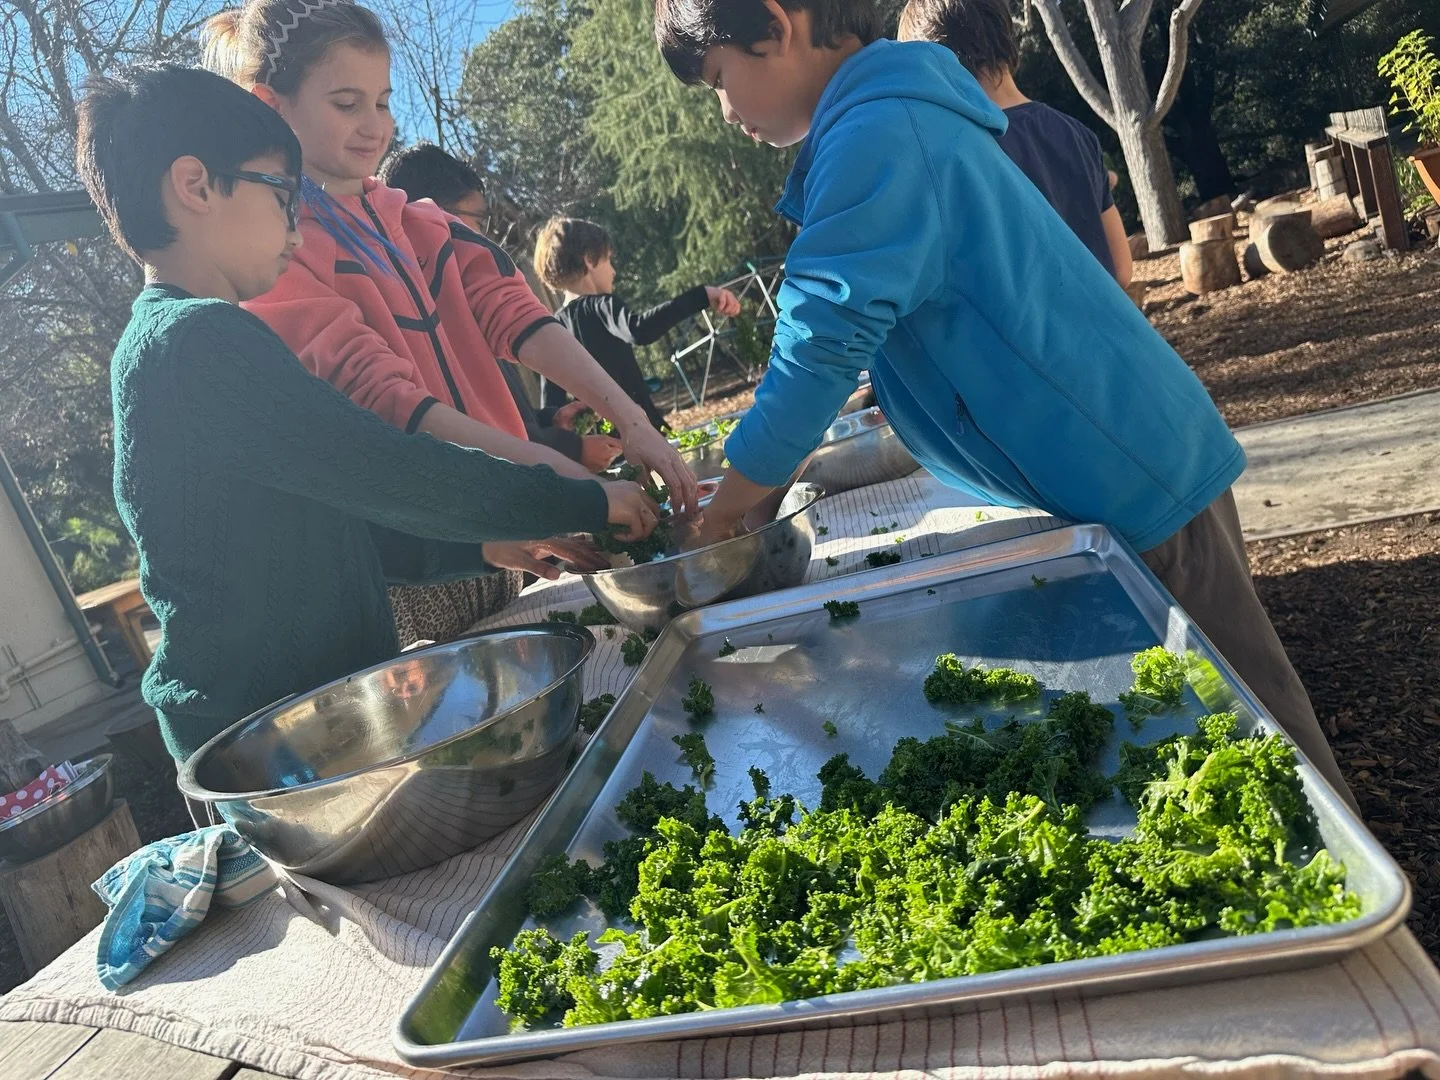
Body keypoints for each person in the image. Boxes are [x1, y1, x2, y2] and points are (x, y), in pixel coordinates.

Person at [656, 0, 1354, 805]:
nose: (724, 109)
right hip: (1118, 461)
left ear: (776, 25)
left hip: (1136, 477)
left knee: (1262, 740)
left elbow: (817, 344)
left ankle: (1364, 919)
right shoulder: (887, 113)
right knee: (1217, 727)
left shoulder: (875, 135)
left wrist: (723, 512)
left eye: (717, 80)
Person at [73, 64, 658, 762]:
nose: (297, 229)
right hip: (263, 738)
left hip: (305, 716)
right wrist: (584, 498)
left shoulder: (196, 339)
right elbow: (390, 471)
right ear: (196, 186)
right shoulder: (195, 342)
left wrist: (479, 546)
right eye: (282, 197)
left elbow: (332, 530)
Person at [200, 0, 692, 643]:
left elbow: (519, 318)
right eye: (346, 104)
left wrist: (630, 422)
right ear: (273, 104)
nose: (374, 125)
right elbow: (384, 399)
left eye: (382, 101)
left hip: (512, 527)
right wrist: (560, 482)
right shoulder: (276, 254)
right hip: (417, 563)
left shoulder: (424, 222)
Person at [378, 143, 623, 473]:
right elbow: (476, 441)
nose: (481, 240)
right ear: (424, 220)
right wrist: (572, 449)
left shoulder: (475, 312)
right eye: (473, 223)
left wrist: (547, 419)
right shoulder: (422, 333)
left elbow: (503, 419)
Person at [898, 0, 1131, 286]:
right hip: (1101, 325)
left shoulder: (954, 157)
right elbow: (1122, 269)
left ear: (934, 66)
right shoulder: (1077, 134)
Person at [532, 217, 741, 432]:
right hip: (644, 434)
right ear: (589, 260)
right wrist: (703, 296)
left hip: (599, 449)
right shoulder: (602, 306)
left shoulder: (551, 330)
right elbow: (640, 330)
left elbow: (552, 408)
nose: (613, 271)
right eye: (608, 260)